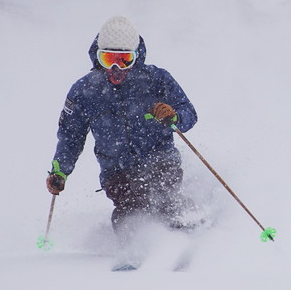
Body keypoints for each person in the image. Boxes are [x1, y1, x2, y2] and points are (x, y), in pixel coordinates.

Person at [45, 16, 198, 234]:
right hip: (117, 170)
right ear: (98, 57)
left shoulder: (156, 79)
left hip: (160, 160)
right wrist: (60, 170)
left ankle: (188, 238)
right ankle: (133, 250)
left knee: (166, 201)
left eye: (125, 60)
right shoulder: (85, 91)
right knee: (130, 209)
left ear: (137, 56)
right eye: (108, 59)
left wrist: (174, 116)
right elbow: (71, 136)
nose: (116, 68)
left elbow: (189, 113)